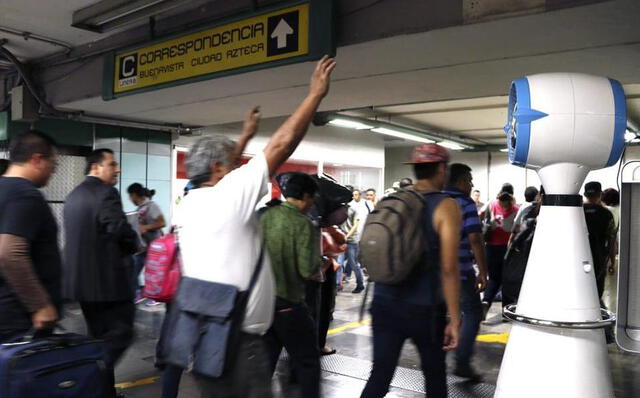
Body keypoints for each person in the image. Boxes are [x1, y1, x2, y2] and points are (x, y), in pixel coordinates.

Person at [176, 55, 336, 397]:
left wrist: (246, 135)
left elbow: (227, 168)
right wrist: (314, 95)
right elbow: (281, 143)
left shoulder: (188, 204)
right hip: (240, 342)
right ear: (220, 168)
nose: (237, 169)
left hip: (206, 335)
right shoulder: (228, 197)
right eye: (231, 164)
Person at [361, 143, 461, 398]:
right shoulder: (445, 205)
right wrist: (454, 317)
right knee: (434, 376)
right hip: (424, 309)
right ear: (441, 168)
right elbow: (449, 268)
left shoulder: (391, 200)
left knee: (380, 375)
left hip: (383, 302)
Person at [63, 148, 139, 398]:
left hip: (83, 286)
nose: (117, 170)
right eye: (112, 164)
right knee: (120, 335)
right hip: (108, 285)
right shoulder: (105, 192)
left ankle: (103, 391)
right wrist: (134, 244)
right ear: (96, 167)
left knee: (98, 337)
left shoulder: (74, 195)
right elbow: (117, 227)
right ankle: (88, 377)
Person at [261, 173, 322, 398]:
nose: (313, 203)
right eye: (312, 198)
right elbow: (307, 270)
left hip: (264, 303)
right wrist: (319, 261)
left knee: (264, 364)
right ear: (305, 196)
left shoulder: (266, 215)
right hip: (290, 304)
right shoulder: (302, 223)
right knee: (308, 361)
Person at [0, 130, 60, 343]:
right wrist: (40, 305)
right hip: (18, 316)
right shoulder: (24, 194)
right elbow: (10, 252)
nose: (53, 170)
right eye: (53, 163)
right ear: (37, 159)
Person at [443, 163, 488, 381]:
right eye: (469, 181)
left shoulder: (436, 199)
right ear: (461, 182)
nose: (471, 185)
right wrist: (483, 271)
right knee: (472, 312)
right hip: (460, 270)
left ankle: (436, 358)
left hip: (434, 272)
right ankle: (462, 361)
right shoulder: (465, 203)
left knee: (443, 312)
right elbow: (475, 239)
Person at [481, 189, 519, 322]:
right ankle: (506, 313)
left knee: (493, 279)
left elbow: (480, 215)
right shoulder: (516, 209)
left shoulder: (491, 204)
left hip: (491, 247)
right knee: (506, 280)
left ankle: (486, 301)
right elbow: (518, 229)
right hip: (507, 249)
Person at [127, 183, 166, 305]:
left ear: (134, 195)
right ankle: (137, 293)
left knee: (153, 272)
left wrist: (146, 227)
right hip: (143, 247)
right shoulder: (140, 209)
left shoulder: (151, 206)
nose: (130, 199)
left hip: (154, 247)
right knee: (133, 269)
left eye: (130, 196)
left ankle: (154, 297)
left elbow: (162, 222)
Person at [583, 181, 616, 303]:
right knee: (596, 294)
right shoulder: (606, 214)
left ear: (585, 194)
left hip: (578, 257)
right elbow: (612, 240)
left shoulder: (577, 211)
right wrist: (612, 262)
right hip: (599, 258)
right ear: (600, 194)